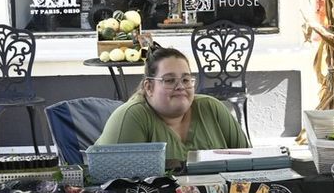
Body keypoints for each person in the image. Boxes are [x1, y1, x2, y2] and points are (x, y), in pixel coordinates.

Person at [94, 47, 248, 169]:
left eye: (186, 80)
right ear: (149, 87)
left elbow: (250, 161)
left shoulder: (212, 108)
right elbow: (114, 186)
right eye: (169, 80)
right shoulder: (132, 116)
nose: (180, 86)